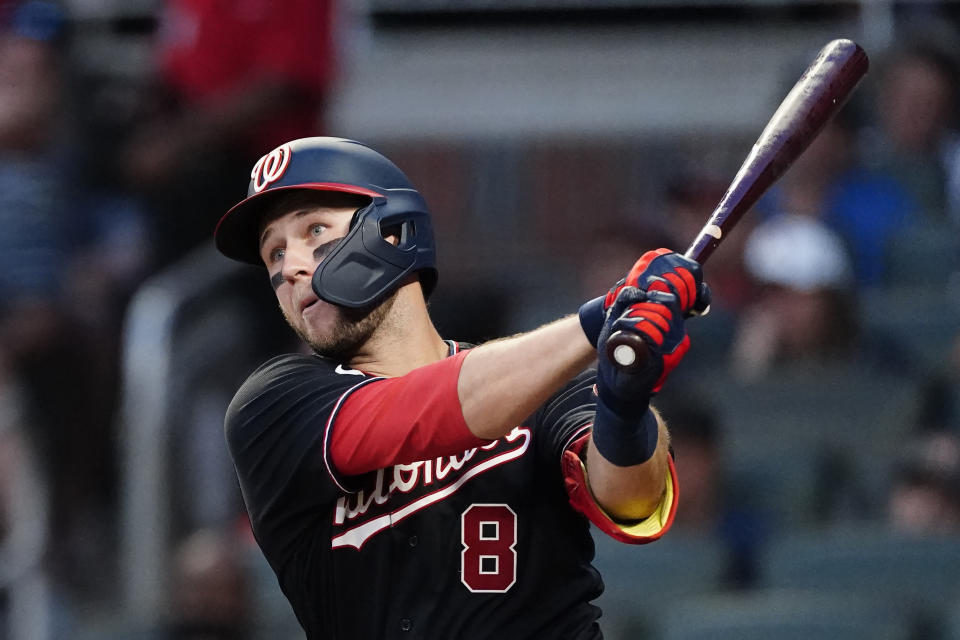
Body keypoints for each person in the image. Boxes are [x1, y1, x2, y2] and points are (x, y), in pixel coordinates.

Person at [213, 137, 709, 638]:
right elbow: (426, 408)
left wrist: (624, 409)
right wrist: (598, 320)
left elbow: (632, 502)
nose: (290, 268)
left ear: (391, 232)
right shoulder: (272, 402)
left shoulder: (537, 383)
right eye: (274, 253)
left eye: (314, 229)